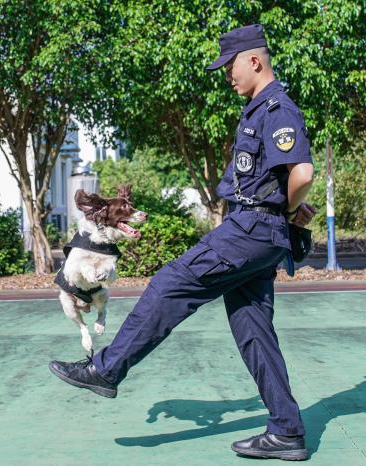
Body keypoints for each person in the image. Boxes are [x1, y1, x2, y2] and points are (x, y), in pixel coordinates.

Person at [49, 24, 316, 461]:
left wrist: (284, 210)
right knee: (254, 330)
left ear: (254, 60)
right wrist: (282, 209)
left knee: (170, 283)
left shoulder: (277, 108)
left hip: (250, 231)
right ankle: (287, 431)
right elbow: (281, 179)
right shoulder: (257, 109)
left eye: (230, 66)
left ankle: (106, 368)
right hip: (258, 232)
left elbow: (301, 174)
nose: (227, 75)